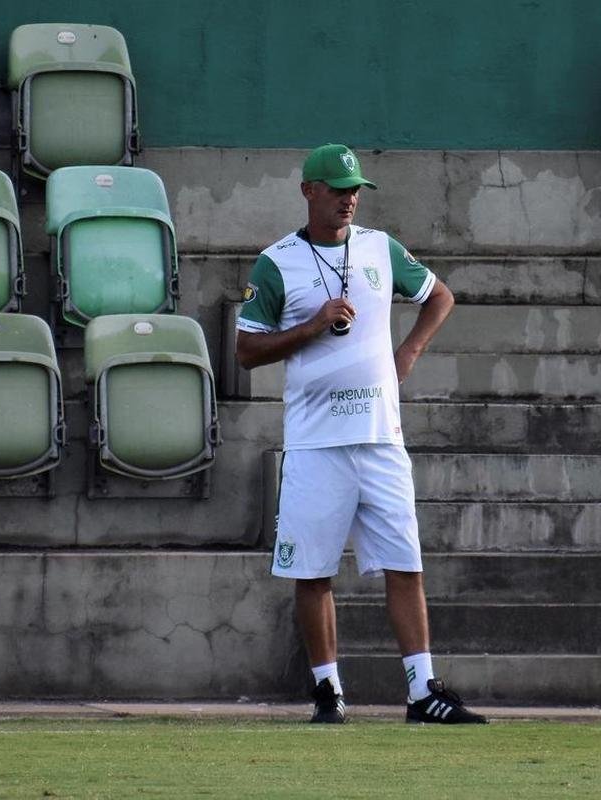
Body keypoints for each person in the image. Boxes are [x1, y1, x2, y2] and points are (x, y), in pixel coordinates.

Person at [235, 144, 486, 725]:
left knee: (405, 563)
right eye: (338, 187)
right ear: (308, 191)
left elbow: (439, 296)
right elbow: (246, 351)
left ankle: (423, 692)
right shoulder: (276, 262)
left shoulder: (380, 247)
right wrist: (313, 325)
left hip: (380, 436)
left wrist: (410, 350)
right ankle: (327, 691)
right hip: (315, 442)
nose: (349, 198)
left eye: (355, 189)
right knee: (313, 571)